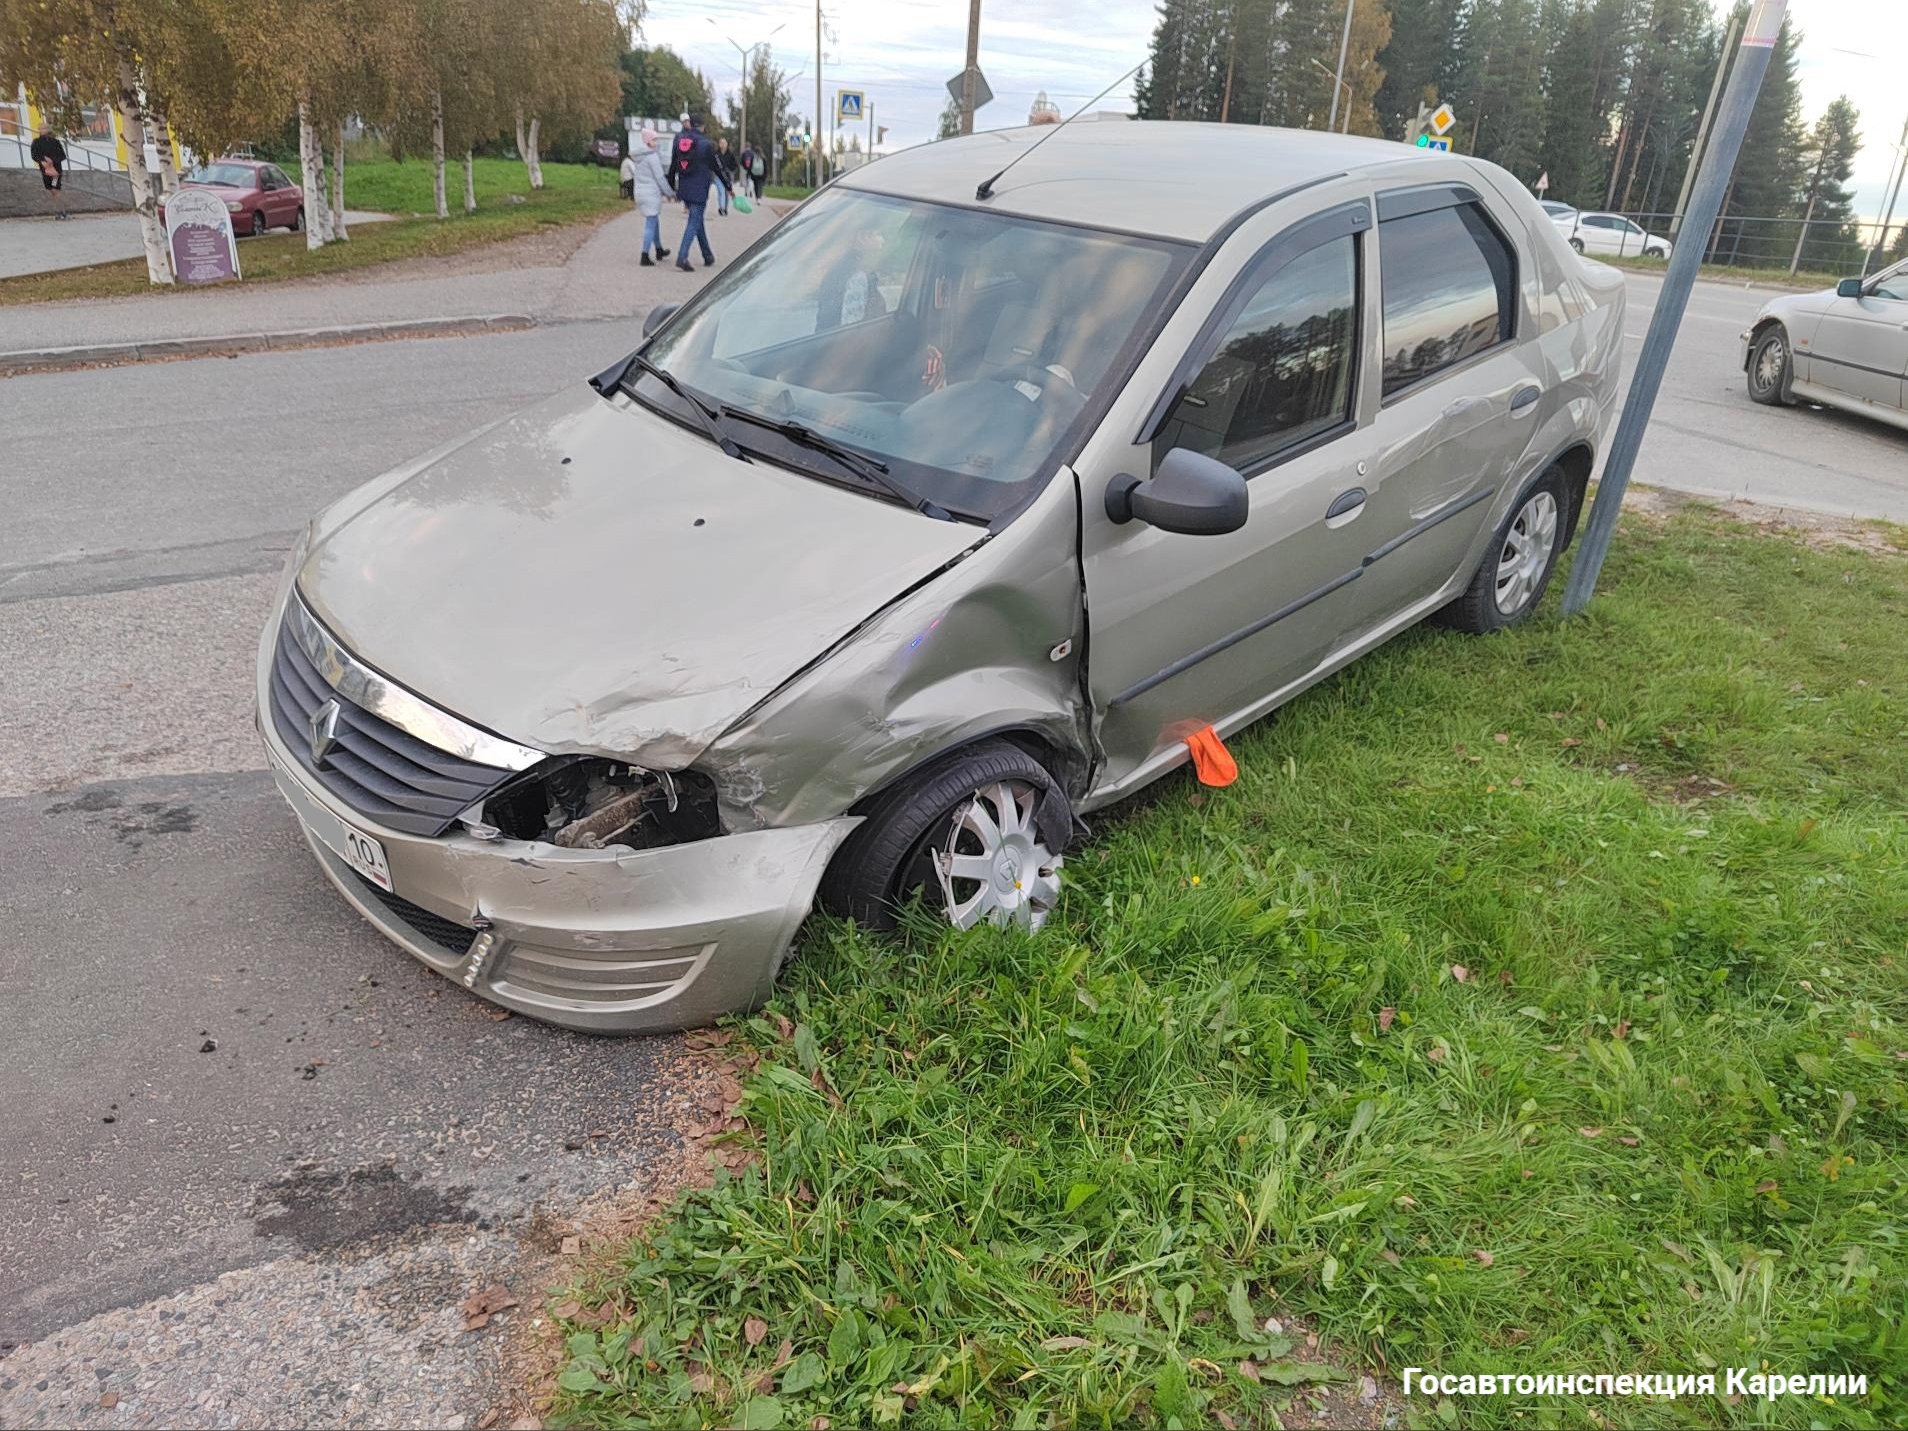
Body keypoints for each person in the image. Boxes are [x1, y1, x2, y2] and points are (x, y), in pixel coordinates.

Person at [666, 114, 719, 271]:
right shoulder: (706, 143)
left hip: (684, 187)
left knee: (697, 220)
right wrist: (728, 186)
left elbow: (672, 166)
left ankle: (707, 255)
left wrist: (671, 188)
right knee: (694, 221)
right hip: (700, 189)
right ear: (702, 126)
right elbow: (716, 167)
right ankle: (682, 257)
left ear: (690, 124)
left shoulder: (680, 141)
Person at [629, 126, 672, 266]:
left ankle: (659, 249)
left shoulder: (638, 157)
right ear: (648, 141)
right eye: (654, 139)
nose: (656, 142)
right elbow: (660, 177)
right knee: (650, 224)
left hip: (640, 192)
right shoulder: (652, 157)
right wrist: (670, 192)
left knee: (653, 221)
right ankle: (644, 255)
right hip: (650, 193)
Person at [30, 129, 69, 220]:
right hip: (45, 171)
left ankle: (62, 211)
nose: (41, 130)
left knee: (55, 189)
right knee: (51, 190)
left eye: (43, 128)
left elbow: (62, 156)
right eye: (40, 128)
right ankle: (60, 211)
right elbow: (34, 155)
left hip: (56, 172)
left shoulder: (55, 142)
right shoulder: (36, 142)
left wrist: (52, 161)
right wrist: (42, 161)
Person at [713, 136, 740, 217]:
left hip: (727, 176)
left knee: (726, 192)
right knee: (721, 192)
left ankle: (724, 208)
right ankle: (722, 208)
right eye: (721, 143)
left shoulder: (730, 154)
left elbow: (735, 165)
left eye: (724, 143)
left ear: (727, 144)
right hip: (718, 176)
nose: (722, 144)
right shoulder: (716, 154)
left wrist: (730, 170)